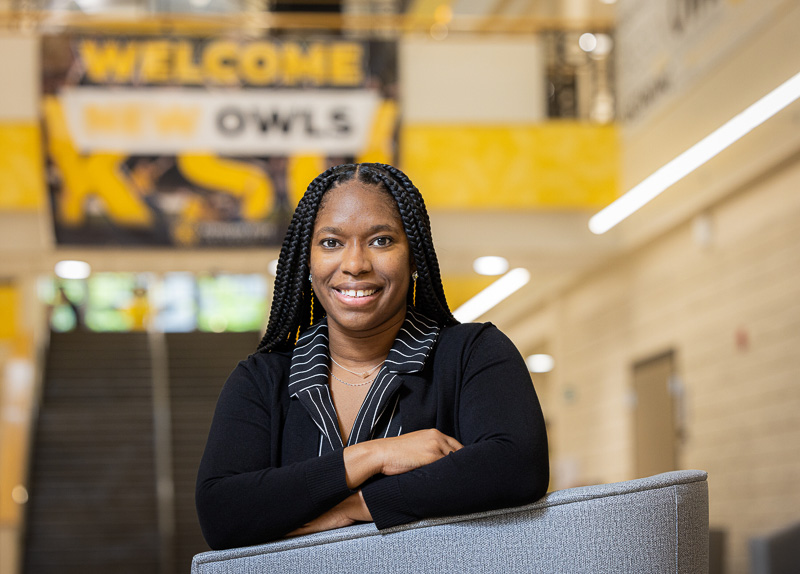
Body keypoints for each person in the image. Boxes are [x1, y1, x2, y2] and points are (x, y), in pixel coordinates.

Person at [196, 163, 549, 550]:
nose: (355, 264)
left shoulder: (472, 354)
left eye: (381, 241)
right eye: (331, 242)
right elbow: (222, 512)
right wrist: (373, 456)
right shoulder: (262, 380)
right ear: (307, 261)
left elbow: (517, 465)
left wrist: (359, 506)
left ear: (413, 257)